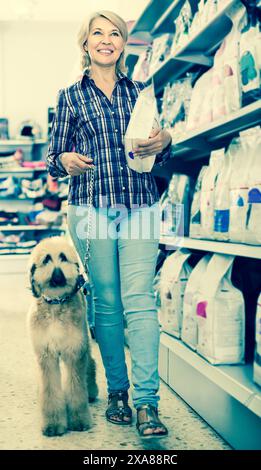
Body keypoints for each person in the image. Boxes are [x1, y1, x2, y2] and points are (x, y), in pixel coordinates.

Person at [46, 10, 172, 439]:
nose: (106, 40)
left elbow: (159, 153)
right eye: (97, 33)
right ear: (85, 44)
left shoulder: (141, 92)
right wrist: (64, 161)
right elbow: (53, 158)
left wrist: (165, 141)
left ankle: (147, 402)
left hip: (139, 205)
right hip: (90, 209)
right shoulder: (69, 97)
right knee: (107, 301)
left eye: (114, 33)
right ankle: (118, 391)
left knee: (140, 299)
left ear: (123, 44)